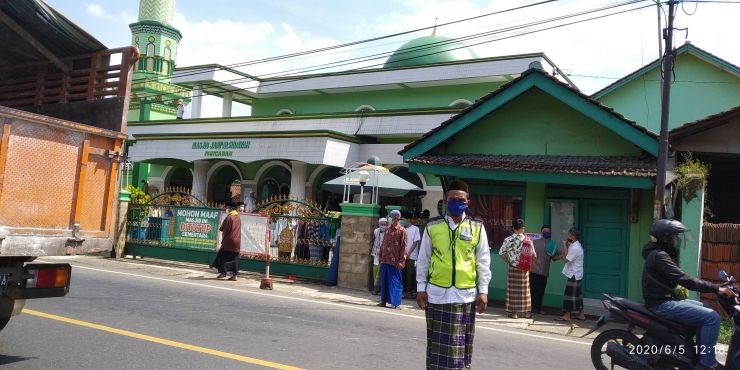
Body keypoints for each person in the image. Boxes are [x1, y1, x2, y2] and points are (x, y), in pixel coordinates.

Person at [416, 180, 491, 370]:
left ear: (468, 202)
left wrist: (483, 291)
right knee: (437, 346)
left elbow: (483, 261)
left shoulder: (477, 227)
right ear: (445, 201)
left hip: (465, 295)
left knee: (461, 346)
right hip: (437, 294)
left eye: (460, 199)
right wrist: (420, 288)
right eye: (452, 199)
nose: (456, 202)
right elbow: (423, 259)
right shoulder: (433, 226)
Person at [643, 219, 734, 370]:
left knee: (705, 307)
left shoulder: (659, 254)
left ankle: (699, 355)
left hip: (666, 299)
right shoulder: (659, 256)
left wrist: (716, 287)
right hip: (662, 304)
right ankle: (707, 362)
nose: (677, 239)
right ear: (665, 237)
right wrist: (716, 288)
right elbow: (685, 280)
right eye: (674, 236)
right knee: (712, 317)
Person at [498, 219, 536, 319]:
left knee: (513, 290)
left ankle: (513, 313)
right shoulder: (528, 240)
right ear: (523, 228)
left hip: (513, 267)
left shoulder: (508, 240)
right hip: (524, 268)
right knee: (525, 291)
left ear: (513, 228)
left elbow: (501, 253)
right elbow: (534, 256)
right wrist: (528, 263)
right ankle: (527, 312)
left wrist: (509, 261)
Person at [378, 210, 407, 309]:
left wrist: (402, 261)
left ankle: (396, 303)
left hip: (395, 261)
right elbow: (383, 243)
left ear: (396, 217)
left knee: (395, 282)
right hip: (385, 259)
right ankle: (383, 301)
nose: (390, 218)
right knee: (385, 281)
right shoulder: (387, 229)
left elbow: (403, 247)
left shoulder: (402, 231)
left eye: (391, 216)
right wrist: (380, 255)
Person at [530, 225, 562, 314]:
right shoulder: (534, 242)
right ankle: (529, 307)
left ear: (550, 232)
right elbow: (529, 255)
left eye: (548, 230)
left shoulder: (553, 244)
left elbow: (554, 258)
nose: (546, 232)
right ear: (541, 232)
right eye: (544, 230)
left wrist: (562, 256)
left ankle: (537, 309)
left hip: (544, 271)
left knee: (540, 291)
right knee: (531, 290)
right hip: (533, 270)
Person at [555, 228, 585, 321]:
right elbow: (568, 254)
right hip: (576, 273)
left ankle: (567, 315)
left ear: (573, 236)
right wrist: (565, 247)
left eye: (568, 234)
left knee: (569, 295)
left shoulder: (576, 247)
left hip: (574, 274)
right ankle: (581, 314)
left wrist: (563, 252)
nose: (567, 236)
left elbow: (566, 259)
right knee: (577, 295)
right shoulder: (574, 245)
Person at [216, 204, 241, 281]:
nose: (227, 209)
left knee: (222, 256)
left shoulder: (229, 218)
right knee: (234, 257)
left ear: (231, 209)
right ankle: (234, 276)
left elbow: (225, 230)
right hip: (237, 241)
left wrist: (223, 240)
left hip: (229, 240)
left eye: (228, 208)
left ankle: (223, 272)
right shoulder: (238, 217)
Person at [402, 216, 421, 299]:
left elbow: (415, 242)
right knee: (403, 274)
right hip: (403, 255)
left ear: (408, 219)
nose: (402, 221)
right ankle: (404, 291)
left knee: (411, 274)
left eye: (404, 219)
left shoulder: (415, 229)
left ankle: (411, 291)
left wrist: (408, 253)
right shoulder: (402, 229)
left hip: (412, 256)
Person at [371, 217, 388, 295]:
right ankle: (376, 288)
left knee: (382, 271)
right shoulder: (376, 231)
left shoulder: (388, 232)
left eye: (385, 224)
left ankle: (382, 289)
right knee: (375, 269)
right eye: (382, 224)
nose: (383, 226)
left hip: (385, 254)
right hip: (377, 253)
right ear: (379, 224)